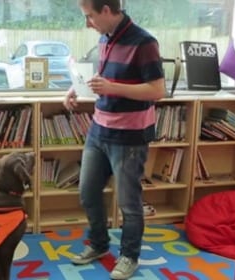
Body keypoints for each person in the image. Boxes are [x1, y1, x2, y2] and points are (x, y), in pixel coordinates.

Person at [64, 0, 165, 279]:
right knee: (87, 192)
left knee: (129, 203)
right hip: (99, 130)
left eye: (90, 16)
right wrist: (77, 88)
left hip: (130, 137)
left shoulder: (144, 42)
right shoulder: (104, 39)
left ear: (107, 10)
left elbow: (157, 90)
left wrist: (113, 88)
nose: (87, 23)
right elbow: (103, 77)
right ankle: (98, 245)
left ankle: (129, 256)